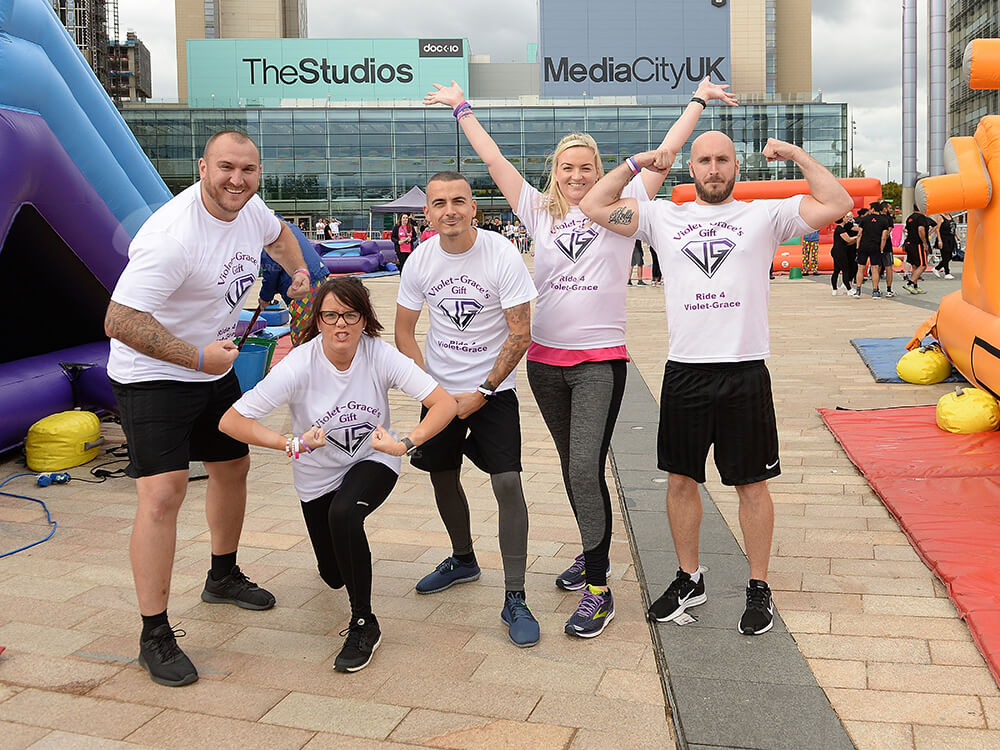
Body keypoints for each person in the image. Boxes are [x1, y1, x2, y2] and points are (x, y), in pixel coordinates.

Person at [425, 76, 735, 638]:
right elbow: (492, 158)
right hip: (544, 365)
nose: (576, 176)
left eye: (586, 168)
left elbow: (663, 155)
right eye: (567, 167)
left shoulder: (625, 207)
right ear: (555, 172)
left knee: (587, 468)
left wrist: (697, 101)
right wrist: (461, 108)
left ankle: (599, 588)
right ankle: (594, 553)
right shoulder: (536, 212)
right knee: (573, 469)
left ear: (600, 171)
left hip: (600, 363)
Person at [580, 132, 851, 636]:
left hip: (744, 370)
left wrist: (793, 153)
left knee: (752, 483)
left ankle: (758, 585)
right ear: (691, 168)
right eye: (703, 160)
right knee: (681, 480)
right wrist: (637, 163)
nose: (713, 168)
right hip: (685, 369)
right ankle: (689, 578)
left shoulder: (763, 217)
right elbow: (595, 202)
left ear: (735, 167)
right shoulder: (663, 217)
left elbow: (837, 201)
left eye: (722, 159)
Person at [103, 130, 311, 686]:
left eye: (247, 169)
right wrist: (194, 355)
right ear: (202, 167)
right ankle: (154, 633)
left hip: (212, 370)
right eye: (225, 168)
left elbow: (281, 235)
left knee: (232, 468)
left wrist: (299, 277)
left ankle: (222, 575)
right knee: (163, 494)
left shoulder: (250, 207)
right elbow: (118, 322)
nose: (236, 180)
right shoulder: (172, 237)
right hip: (154, 377)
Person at [219, 278, 457, 672]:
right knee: (333, 574)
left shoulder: (379, 355)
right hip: (315, 477)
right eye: (331, 315)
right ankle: (341, 567)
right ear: (319, 320)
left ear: (365, 319)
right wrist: (291, 445)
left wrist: (405, 445)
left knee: (345, 515)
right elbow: (231, 420)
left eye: (350, 315)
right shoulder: (298, 364)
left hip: (374, 460)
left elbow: (443, 404)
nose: (340, 325)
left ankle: (364, 623)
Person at [394, 171, 540, 647]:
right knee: (441, 473)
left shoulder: (500, 254)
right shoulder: (419, 259)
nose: (449, 210)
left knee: (507, 481)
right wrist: (431, 391)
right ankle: (463, 559)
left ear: (474, 207)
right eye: (439, 203)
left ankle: (515, 595)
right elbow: (403, 333)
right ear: (428, 213)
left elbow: (521, 333)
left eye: (459, 201)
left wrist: (482, 390)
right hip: (439, 390)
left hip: (492, 391)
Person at [259, 220, 330, 346]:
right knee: (317, 324)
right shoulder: (285, 225)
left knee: (303, 332)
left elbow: (271, 272)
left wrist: (265, 297)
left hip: (303, 284)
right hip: (318, 275)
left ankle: (305, 360)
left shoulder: (267, 233)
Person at [850, 201, 892, 299]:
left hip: (864, 246)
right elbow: (884, 237)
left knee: (860, 268)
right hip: (876, 247)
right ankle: (875, 291)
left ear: (872, 209)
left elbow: (859, 234)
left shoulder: (864, 219)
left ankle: (858, 290)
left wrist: (857, 246)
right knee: (874, 269)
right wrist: (881, 249)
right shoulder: (884, 221)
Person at [903, 206, 936, 294]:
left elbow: (906, 230)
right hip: (917, 244)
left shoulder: (910, 217)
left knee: (915, 265)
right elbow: (921, 229)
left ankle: (915, 286)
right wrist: (924, 242)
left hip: (909, 243)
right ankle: (910, 283)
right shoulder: (921, 217)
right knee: (923, 265)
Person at [830, 211, 859, 295]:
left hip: (838, 250)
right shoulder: (840, 229)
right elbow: (848, 239)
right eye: (846, 217)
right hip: (840, 251)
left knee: (837, 270)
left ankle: (835, 290)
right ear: (842, 219)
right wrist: (858, 236)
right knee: (845, 270)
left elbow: (848, 242)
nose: (847, 219)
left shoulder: (840, 228)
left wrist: (855, 240)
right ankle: (849, 289)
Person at [879, 202, 898, 297]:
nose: (891, 210)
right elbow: (887, 233)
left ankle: (876, 289)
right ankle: (889, 289)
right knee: (888, 267)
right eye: (889, 208)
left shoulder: (876, 218)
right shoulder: (888, 219)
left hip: (876, 245)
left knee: (876, 267)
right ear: (885, 209)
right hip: (886, 247)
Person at [933, 212, 957, 279]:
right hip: (944, 238)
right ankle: (947, 272)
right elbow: (937, 229)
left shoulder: (950, 216)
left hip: (951, 238)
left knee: (949, 256)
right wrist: (939, 240)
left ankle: (937, 268)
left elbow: (952, 228)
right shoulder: (940, 217)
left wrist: (956, 236)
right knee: (945, 255)